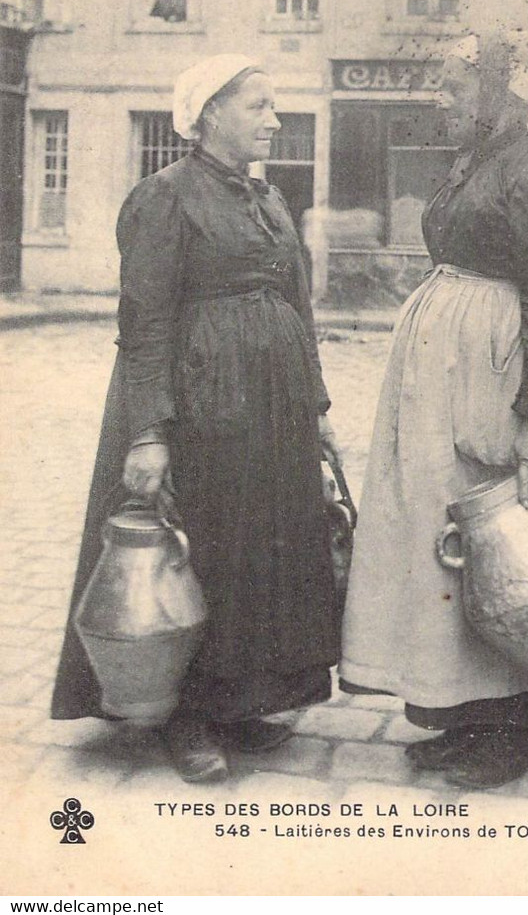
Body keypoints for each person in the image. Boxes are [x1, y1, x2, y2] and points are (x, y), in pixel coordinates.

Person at [340, 30, 528, 790]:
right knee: (460, 542)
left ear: (501, 95)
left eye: (452, 88)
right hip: (456, 374)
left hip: (508, 378)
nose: (440, 100)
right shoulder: (480, 163)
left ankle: (521, 729)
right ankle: (472, 714)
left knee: (515, 544)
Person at [52, 54, 342, 784]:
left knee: (258, 552)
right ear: (209, 112)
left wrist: (316, 406)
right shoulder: (164, 198)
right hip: (201, 402)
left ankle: (243, 699)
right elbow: (143, 321)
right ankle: (188, 715)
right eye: (259, 107)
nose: (274, 121)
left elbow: (300, 311)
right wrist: (149, 431)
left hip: (271, 406)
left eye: (274, 107)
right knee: (203, 547)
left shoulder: (269, 200)